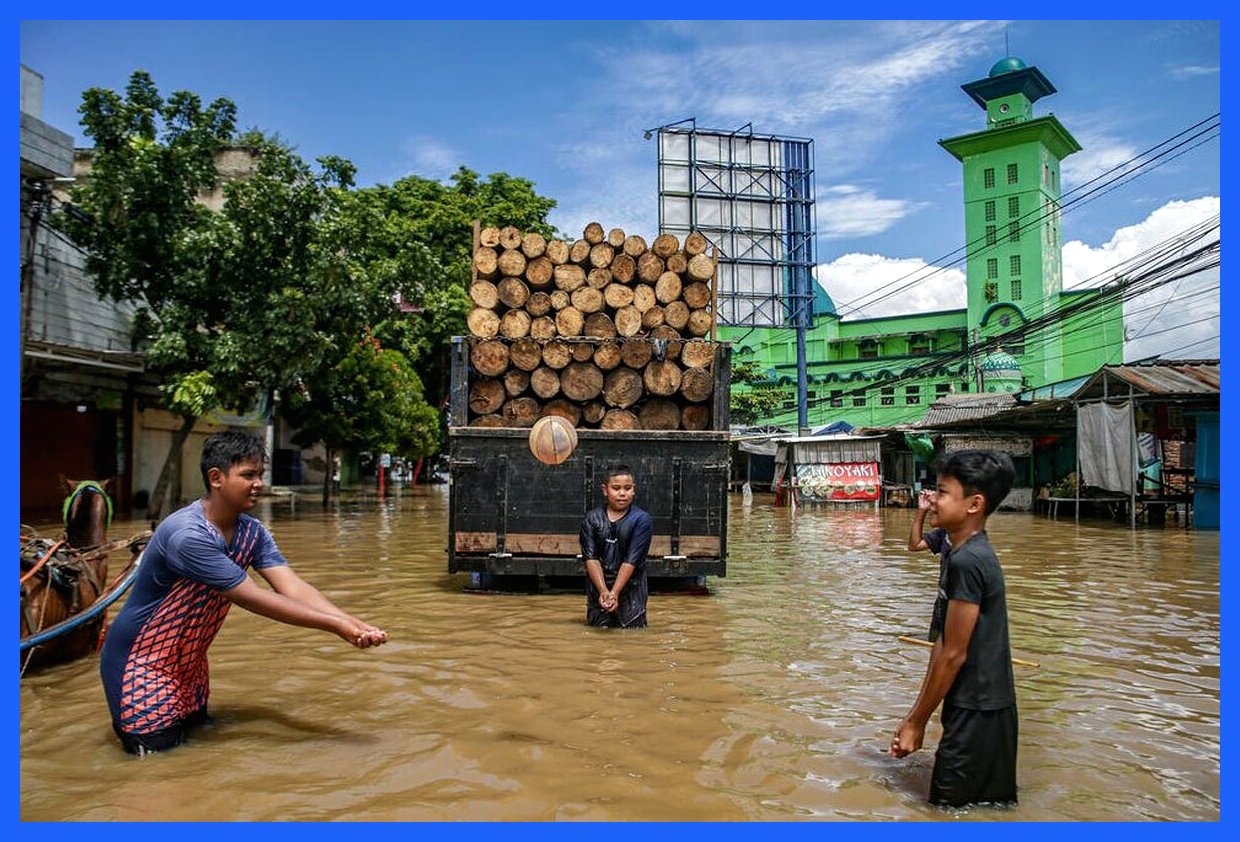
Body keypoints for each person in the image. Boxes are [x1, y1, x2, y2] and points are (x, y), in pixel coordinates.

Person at [99, 430, 388, 756]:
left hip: (191, 667)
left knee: (190, 762)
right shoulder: (188, 536)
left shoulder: (252, 532)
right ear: (216, 478)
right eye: (248, 475)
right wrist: (336, 627)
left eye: (260, 474)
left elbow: (291, 586)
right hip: (141, 666)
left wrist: (351, 621)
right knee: (154, 772)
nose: (258, 483)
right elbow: (252, 596)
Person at [890, 449, 1018, 809]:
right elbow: (943, 643)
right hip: (981, 704)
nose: (933, 502)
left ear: (974, 504)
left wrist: (916, 722)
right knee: (984, 808)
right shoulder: (963, 552)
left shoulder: (968, 560)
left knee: (945, 810)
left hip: (978, 708)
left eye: (943, 493)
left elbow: (953, 652)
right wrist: (916, 714)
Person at [580, 464, 653, 628]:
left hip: (631, 590)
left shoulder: (642, 520)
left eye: (627, 488)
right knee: (597, 636)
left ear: (634, 490)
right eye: (616, 488)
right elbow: (590, 558)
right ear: (605, 490)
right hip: (599, 590)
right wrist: (604, 591)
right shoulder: (591, 519)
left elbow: (631, 561)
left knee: (631, 636)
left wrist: (615, 592)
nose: (622, 493)